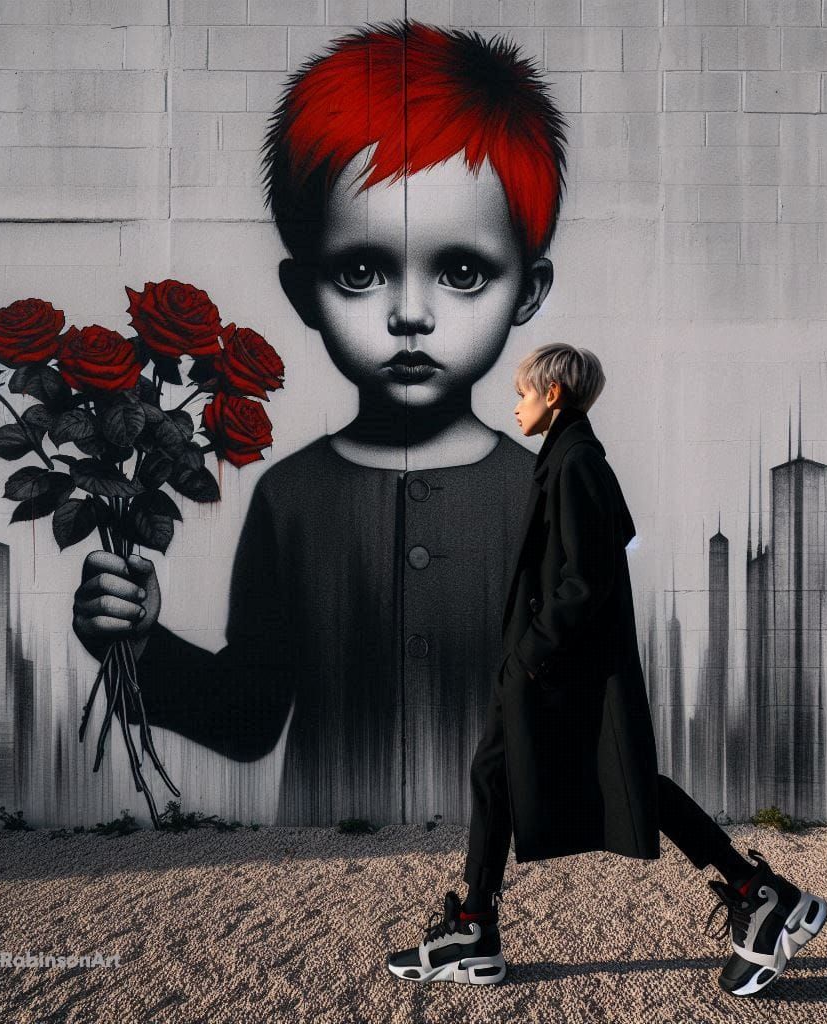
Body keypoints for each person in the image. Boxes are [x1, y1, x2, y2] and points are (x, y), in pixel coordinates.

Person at [70, 22, 564, 827]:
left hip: (508, 869)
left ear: (529, 291)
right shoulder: (290, 498)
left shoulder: (541, 496)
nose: (410, 314)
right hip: (319, 863)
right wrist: (134, 643)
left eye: (463, 271)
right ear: (305, 292)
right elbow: (248, 718)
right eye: (361, 271)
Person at [385, 344, 827, 997]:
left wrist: (534, 652)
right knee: (521, 777)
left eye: (524, 392)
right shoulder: (567, 461)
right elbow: (607, 551)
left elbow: (587, 577)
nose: (516, 403)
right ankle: (754, 893)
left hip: (557, 669)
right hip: (557, 665)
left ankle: (757, 894)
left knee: (609, 785)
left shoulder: (578, 464)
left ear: (554, 396)